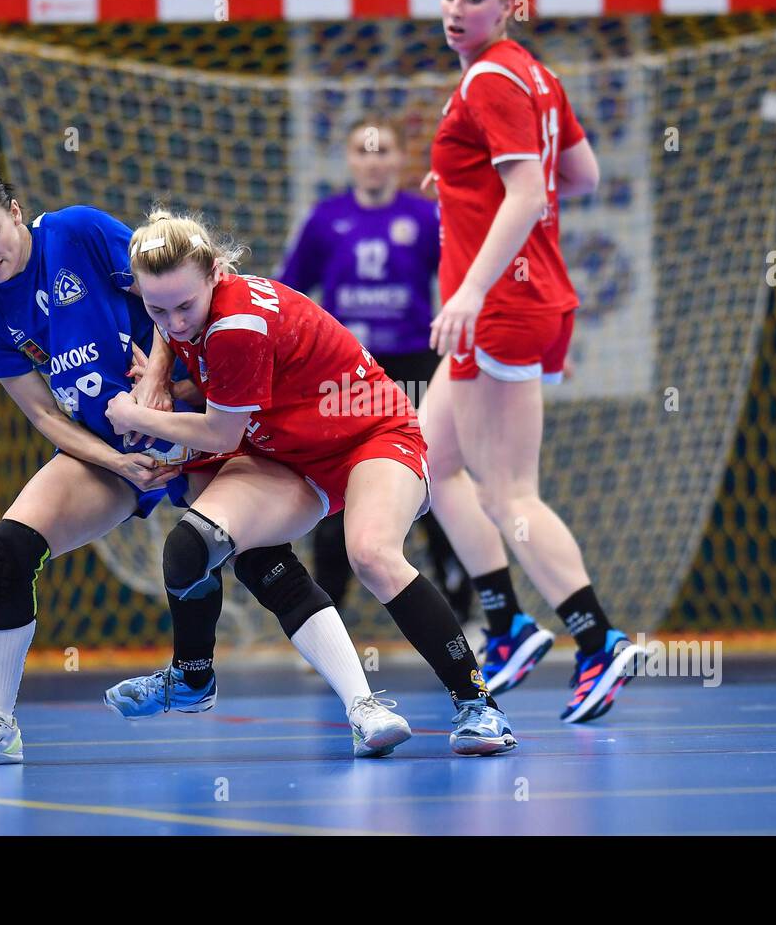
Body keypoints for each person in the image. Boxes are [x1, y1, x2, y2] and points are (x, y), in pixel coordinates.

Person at [0, 161, 410, 765]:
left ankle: (364, 707)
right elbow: (47, 419)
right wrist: (119, 461)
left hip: (194, 419)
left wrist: (157, 382)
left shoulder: (76, 233)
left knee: (260, 559)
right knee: (5, 557)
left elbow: (162, 296)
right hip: (112, 452)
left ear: (16, 213)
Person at [104, 208, 517, 755]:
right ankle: (191, 678)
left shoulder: (236, 326)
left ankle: (478, 705)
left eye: (185, 306)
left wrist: (138, 415)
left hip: (371, 435)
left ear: (215, 277)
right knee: (192, 545)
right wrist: (159, 372)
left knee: (370, 553)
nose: (175, 322)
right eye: (157, 309)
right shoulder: (184, 310)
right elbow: (172, 335)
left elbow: (223, 434)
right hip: (291, 454)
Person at [419, 0, 644, 723]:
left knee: (507, 491)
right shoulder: (532, 75)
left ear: (512, 5)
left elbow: (528, 193)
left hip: (504, 304)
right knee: (432, 460)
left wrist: (471, 292)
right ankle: (507, 621)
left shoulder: (491, 80)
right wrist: (460, 181)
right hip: (526, 296)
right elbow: (580, 174)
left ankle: (597, 637)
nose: (456, 7)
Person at [277, 120, 473, 625]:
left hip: (413, 364)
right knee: (337, 484)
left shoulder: (425, 217)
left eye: (382, 149)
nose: (372, 160)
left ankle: (465, 612)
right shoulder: (326, 219)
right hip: (344, 372)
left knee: (434, 480)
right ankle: (327, 617)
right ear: (349, 160)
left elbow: (457, 281)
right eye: (363, 151)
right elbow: (288, 292)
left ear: (397, 158)